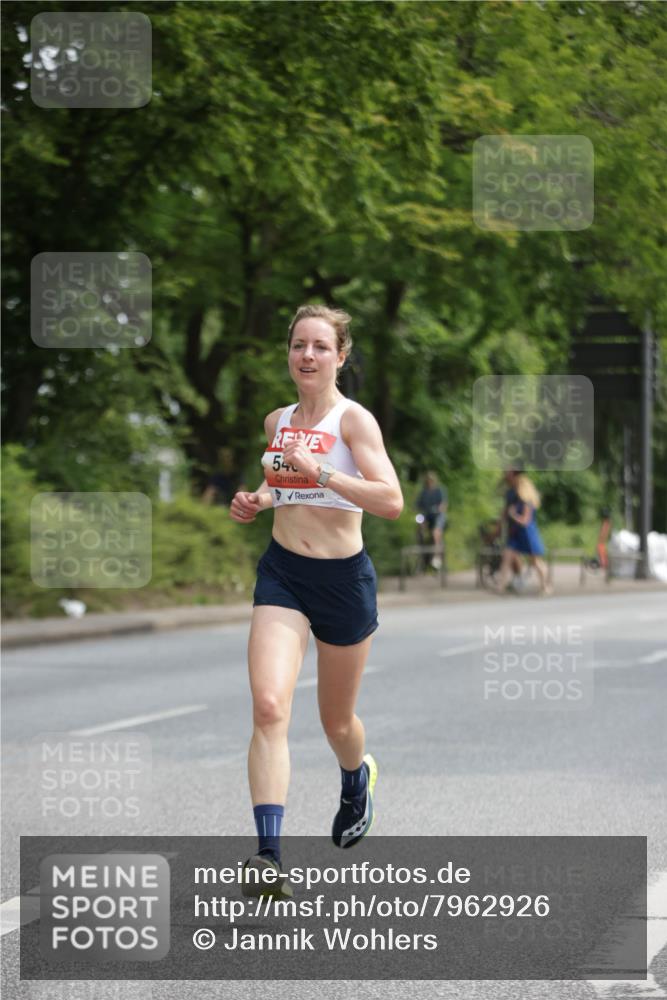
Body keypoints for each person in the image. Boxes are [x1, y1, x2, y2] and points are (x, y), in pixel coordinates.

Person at [229, 304, 404, 899]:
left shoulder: (355, 423)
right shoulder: (277, 420)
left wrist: (323, 472)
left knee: (336, 722)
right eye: (299, 345)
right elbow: (282, 485)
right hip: (283, 574)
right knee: (270, 706)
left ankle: (357, 775)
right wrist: (257, 500)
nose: (307, 355)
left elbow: (389, 501)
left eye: (320, 347)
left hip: (343, 582)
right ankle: (268, 855)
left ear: (341, 356)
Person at [494, 469, 551, 596]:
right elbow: (504, 512)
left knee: (536, 562)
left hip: (527, 534)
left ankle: (545, 587)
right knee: (506, 558)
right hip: (515, 533)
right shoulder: (511, 495)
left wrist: (513, 515)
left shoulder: (526, 500)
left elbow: (525, 521)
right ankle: (500, 586)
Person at [416, 471, 447, 569]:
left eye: (431, 480)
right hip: (427, 516)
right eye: (428, 480)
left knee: (435, 532)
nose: (430, 482)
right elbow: (417, 505)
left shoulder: (439, 491)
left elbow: (443, 505)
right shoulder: (423, 492)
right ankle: (422, 557)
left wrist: (439, 508)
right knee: (420, 529)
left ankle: (436, 557)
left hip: (438, 515)